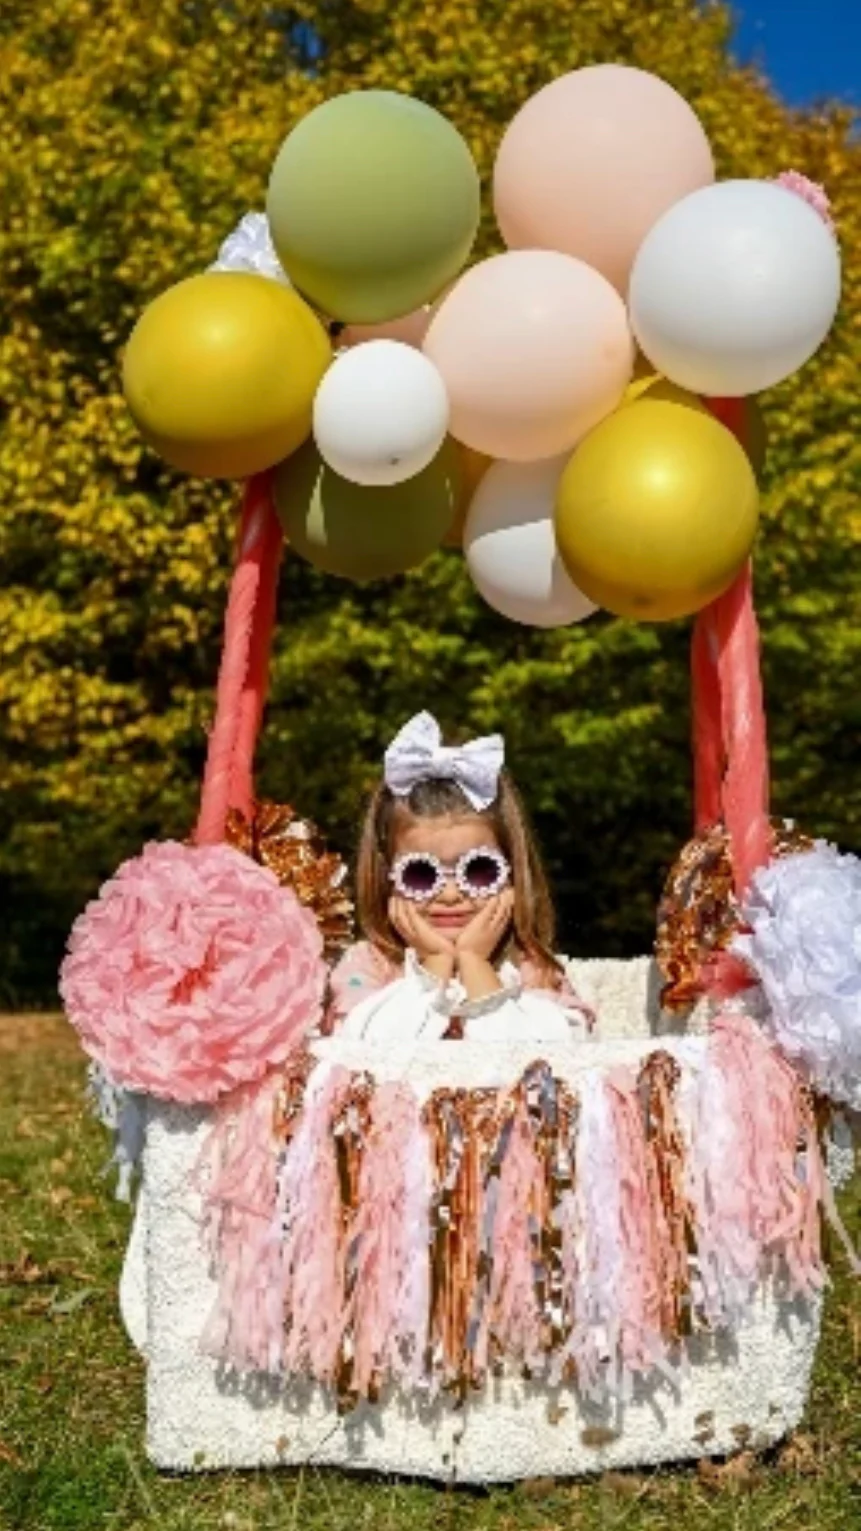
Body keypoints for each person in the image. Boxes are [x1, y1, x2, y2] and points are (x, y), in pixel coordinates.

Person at [325, 711, 594, 1043]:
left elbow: (556, 1059)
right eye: (421, 874)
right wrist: (434, 967)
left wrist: (475, 964)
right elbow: (367, 1054)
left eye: (479, 871)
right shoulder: (369, 966)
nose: (450, 895)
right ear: (387, 876)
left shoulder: (531, 969)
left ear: (512, 873)